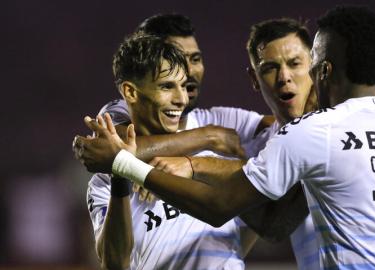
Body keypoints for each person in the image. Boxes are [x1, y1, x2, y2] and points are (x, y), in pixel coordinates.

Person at [80, 6, 375, 268]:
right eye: (270, 68)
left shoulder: (306, 135)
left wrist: (191, 165)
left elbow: (230, 208)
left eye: (297, 64)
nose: (285, 78)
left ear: (320, 69)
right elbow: (274, 222)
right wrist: (207, 142)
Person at [75, 15, 319, 269]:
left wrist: (196, 164)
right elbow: (114, 262)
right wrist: (208, 137)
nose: (184, 91)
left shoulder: (229, 122)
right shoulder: (108, 169)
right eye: (169, 82)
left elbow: (286, 131)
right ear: (132, 91)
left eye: (195, 59)